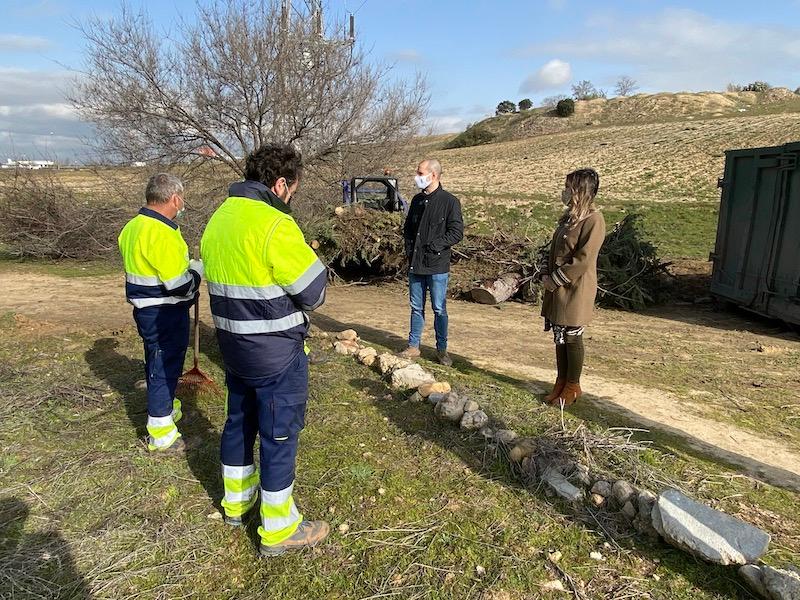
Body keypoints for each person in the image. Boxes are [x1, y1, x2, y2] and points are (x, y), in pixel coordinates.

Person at [200, 143, 330, 557]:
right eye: (293, 189)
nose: (291, 197)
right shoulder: (276, 224)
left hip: (232, 346)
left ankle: (236, 503)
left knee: (238, 422)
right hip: (276, 353)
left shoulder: (219, 218)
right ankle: (278, 528)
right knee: (279, 434)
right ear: (280, 184)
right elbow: (314, 292)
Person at [118, 173, 203, 452]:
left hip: (145, 310)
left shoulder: (132, 227)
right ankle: (162, 434)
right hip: (164, 312)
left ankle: (166, 407)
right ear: (174, 198)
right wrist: (196, 273)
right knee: (164, 368)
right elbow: (178, 285)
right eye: (182, 199)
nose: (183, 204)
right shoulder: (161, 233)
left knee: (155, 360)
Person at [540, 168, 605, 407]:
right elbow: (554, 250)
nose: (565, 191)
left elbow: (583, 260)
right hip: (558, 288)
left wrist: (555, 279)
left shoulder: (594, 220)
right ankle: (560, 382)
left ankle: (572, 386)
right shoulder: (569, 218)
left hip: (576, 288)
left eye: (569, 187)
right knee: (559, 336)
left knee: (572, 336)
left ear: (580, 190)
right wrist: (545, 272)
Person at [399, 159, 463, 366]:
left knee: (439, 309)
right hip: (416, 264)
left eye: (420, 173)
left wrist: (436, 246)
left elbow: (456, 232)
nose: (416, 176)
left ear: (433, 175)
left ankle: (442, 350)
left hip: (437, 265)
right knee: (416, 307)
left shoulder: (450, 201)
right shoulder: (417, 200)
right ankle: (413, 345)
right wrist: (410, 251)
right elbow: (408, 230)